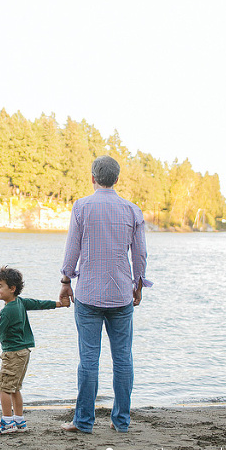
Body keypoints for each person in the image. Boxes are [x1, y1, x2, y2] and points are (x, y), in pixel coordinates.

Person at [59, 155, 152, 434]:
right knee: (123, 358)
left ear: (92, 178)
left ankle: (84, 422)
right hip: (121, 294)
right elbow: (140, 254)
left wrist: (66, 280)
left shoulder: (82, 207)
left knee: (89, 359)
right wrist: (138, 284)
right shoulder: (132, 210)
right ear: (117, 179)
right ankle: (121, 421)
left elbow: (72, 249)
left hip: (88, 294)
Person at [0, 266, 68, 434]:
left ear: (12, 288)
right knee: (15, 388)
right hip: (24, 352)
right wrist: (59, 304)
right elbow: (38, 304)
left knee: (4, 388)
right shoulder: (19, 302)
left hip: (13, 353)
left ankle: (7, 422)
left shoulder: (8, 310)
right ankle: (19, 421)